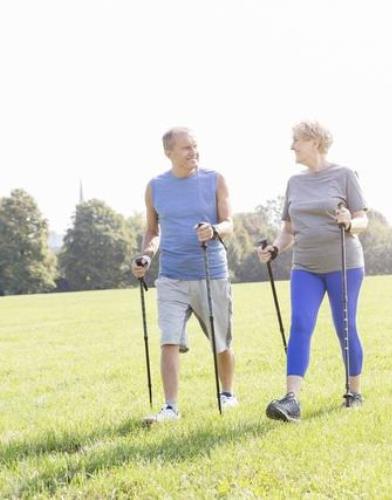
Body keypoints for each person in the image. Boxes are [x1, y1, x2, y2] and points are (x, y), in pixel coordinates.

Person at [258, 120, 369, 422]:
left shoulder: (344, 175)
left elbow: (362, 221)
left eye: (296, 140)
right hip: (305, 265)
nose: (292, 146)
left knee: (344, 326)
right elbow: (288, 230)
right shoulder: (295, 183)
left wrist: (349, 221)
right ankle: (291, 399)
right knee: (301, 325)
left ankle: (354, 392)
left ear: (315, 141)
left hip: (344, 264)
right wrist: (276, 249)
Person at [132, 127, 238, 423]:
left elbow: (229, 223)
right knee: (168, 340)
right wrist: (146, 256)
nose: (194, 152)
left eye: (195, 146)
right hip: (171, 276)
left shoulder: (215, 180)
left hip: (210, 272)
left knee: (221, 341)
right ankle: (170, 408)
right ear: (169, 153)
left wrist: (214, 230)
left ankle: (227, 393)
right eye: (186, 148)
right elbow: (152, 231)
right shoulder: (155, 187)